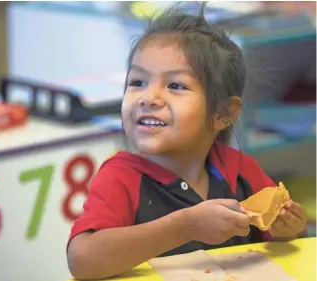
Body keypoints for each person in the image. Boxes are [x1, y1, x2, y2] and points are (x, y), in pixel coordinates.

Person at [66, 3, 307, 280]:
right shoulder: (120, 177)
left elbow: (286, 247)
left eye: (175, 86)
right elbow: (82, 260)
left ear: (223, 113)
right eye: (137, 82)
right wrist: (183, 227)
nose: (148, 97)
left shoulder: (240, 170)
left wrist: (289, 231)